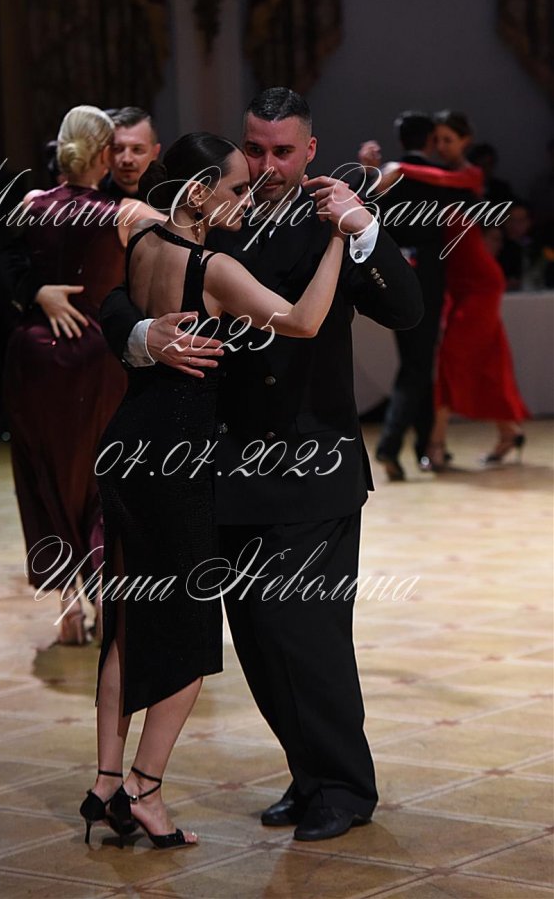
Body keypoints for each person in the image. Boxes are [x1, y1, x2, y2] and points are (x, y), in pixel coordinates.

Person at [100, 88, 423, 842]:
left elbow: (406, 309)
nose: (267, 164)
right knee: (256, 636)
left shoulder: (329, 219)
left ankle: (343, 786)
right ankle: (308, 777)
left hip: (310, 466)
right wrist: (145, 334)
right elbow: (120, 295)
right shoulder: (221, 208)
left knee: (306, 633)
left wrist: (363, 227)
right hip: (219, 465)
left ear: (310, 151)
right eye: (255, 148)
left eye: (283, 151)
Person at [81, 130, 352, 849]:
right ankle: (145, 789)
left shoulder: (144, 244)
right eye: (234, 187)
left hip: (126, 446)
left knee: (129, 620)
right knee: (190, 635)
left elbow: (115, 298)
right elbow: (304, 320)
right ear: (199, 193)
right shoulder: (214, 267)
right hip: (175, 462)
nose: (245, 199)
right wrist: (338, 238)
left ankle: (105, 782)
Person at [2, 106, 158, 644]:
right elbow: (189, 237)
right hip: (95, 356)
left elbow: (5, 263)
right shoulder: (127, 212)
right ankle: (105, 593)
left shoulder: (30, 203)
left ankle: (69, 603)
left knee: (44, 474)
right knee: (100, 476)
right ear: (103, 154)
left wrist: (34, 293)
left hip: (32, 357)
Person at [390, 111, 529, 467]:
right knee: (487, 362)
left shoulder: (468, 175)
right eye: (437, 139)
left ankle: (435, 446)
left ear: (465, 141)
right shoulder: (439, 178)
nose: (441, 146)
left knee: (451, 360)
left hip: (480, 282)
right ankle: (509, 433)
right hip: (459, 284)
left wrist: (398, 168)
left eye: (448, 140)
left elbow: (435, 175)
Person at [358, 112, 466, 481]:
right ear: (431, 140)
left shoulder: (388, 176)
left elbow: (365, 211)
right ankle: (389, 446)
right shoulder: (436, 177)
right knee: (417, 366)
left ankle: (424, 446)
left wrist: (368, 173)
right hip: (428, 281)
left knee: (419, 363)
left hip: (394, 279)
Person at [99, 105, 161, 198]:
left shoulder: (173, 198)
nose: (127, 159)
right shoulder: (90, 199)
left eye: (137, 150)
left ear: (155, 153)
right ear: (106, 153)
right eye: (117, 149)